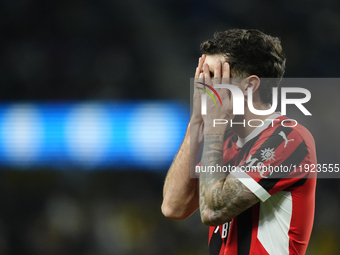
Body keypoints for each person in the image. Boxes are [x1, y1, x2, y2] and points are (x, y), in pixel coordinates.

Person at [161, 29, 316, 255]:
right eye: (202, 77)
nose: (204, 87)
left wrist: (213, 127)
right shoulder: (225, 143)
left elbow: (213, 211)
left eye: (214, 76)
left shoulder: (289, 139)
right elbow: (174, 206)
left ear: (249, 86)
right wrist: (196, 124)